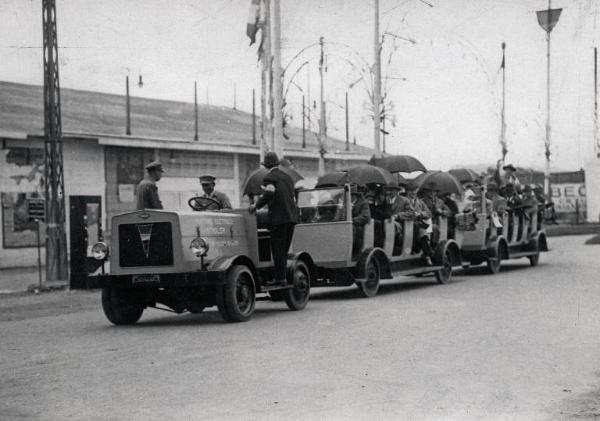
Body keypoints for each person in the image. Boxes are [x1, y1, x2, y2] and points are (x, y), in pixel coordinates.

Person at [249, 152, 298, 285]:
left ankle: (280, 278)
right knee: (284, 250)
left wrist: (256, 206)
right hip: (291, 217)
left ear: (266, 165)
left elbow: (270, 193)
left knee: (277, 249)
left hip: (279, 218)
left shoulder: (269, 177)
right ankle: (283, 277)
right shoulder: (288, 177)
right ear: (276, 164)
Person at [405, 182, 434, 264]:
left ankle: (427, 252)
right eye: (410, 191)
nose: (413, 192)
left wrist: (420, 214)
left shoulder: (420, 202)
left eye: (414, 190)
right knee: (423, 228)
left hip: (418, 222)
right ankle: (428, 253)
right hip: (407, 223)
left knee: (425, 228)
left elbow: (429, 214)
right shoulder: (403, 200)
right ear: (407, 191)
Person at [351, 184, 371, 257]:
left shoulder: (363, 203)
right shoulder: (343, 204)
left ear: (354, 195)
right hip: (346, 226)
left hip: (358, 226)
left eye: (350, 195)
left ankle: (355, 252)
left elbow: (365, 217)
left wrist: (351, 221)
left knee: (355, 229)